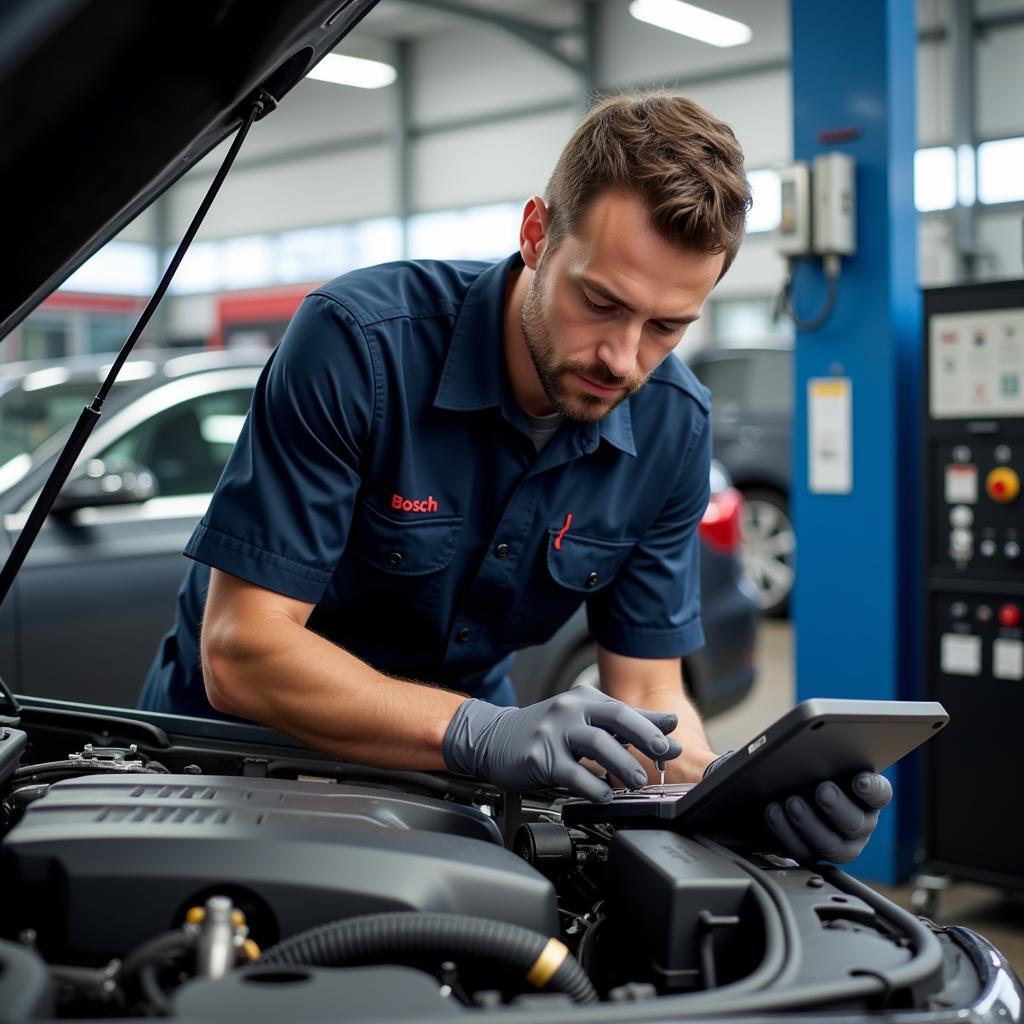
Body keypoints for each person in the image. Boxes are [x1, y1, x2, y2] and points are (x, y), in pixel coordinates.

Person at [139, 92, 890, 863]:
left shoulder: (674, 424)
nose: (623, 358)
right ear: (536, 234)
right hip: (233, 771)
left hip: (449, 788)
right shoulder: (357, 346)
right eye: (600, 302)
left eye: (666, 327)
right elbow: (240, 651)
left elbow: (649, 693)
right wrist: (479, 731)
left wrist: (737, 791)